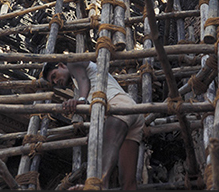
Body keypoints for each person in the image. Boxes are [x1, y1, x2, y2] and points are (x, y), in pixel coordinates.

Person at [41, 60, 144, 189]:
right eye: (53, 82)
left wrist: (81, 100)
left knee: (107, 148)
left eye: (54, 76)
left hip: (119, 106)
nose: (56, 82)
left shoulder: (74, 62)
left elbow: (84, 80)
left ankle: (99, 184)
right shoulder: (80, 81)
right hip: (132, 112)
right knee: (128, 182)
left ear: (61, 65)